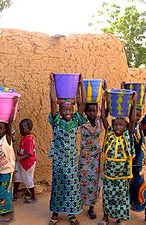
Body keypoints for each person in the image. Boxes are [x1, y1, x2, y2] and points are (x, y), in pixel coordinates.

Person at [48, 73, 87, 225]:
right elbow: (52, 101)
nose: (68, 113)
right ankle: (55, 213)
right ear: (60, 110)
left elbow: (82, 102)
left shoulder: (76, 119)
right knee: (58, 185)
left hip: (71, 160)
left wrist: (80, 84)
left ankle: (71, 214)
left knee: (71, 186)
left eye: (70, 110)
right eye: (64, 110)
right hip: (58, 160)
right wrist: (52, 83)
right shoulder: (56, 120)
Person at [98, 90, 137, 225]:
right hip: (109, 172)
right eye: (115, 124)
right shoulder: (109, 132)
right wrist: (103, 100)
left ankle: (120, 218)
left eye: (120, 124)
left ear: (125, 126)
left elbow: (133, 119)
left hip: (122, 172)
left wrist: (133, 101)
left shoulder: (128, 133)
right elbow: (103, 118)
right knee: (107, 194)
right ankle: (105, 217)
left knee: (121, 195)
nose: (117, 127)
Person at [128, 82, 146, 224]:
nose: (137, 116)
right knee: (125, 189)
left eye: (139, 114)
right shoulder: (124, 126)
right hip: (125, 164)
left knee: (141, 186)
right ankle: (122, 214)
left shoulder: (142, 125)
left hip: (137, 164)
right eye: (134, 113)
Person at [0, 97, 18, 224]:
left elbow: (9, 123)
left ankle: (9, 212)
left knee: (6, 190)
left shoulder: (7, 138)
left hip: (7, 170)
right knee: (3, 189)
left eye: (1, 128)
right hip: (1, 170)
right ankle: (4, 209)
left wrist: (13, 106)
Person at [78, 103, 103, 219]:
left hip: (96, 157)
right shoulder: (82, 120)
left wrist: (105, 97)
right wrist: (80, 86)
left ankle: (91, 207)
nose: (91, 113)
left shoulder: (100, 120)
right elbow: (80, 103)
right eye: (89, 111)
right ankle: (79, 204)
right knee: (82, 180)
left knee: (95, 182)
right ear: (85, 111)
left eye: (93, 110)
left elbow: (106, 110)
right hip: (85, 157)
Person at [13, 118, 37, 203]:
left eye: (22, 129)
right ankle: (14, 194)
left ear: (29, 128)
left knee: (28, 178)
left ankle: (33, 196)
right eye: (20, 129)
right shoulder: (25, 138)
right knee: (17, 176)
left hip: (27, 163)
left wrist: (20, 158)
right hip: (21, 162)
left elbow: (30, 153)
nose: (21, 131)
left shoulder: (29, 139)